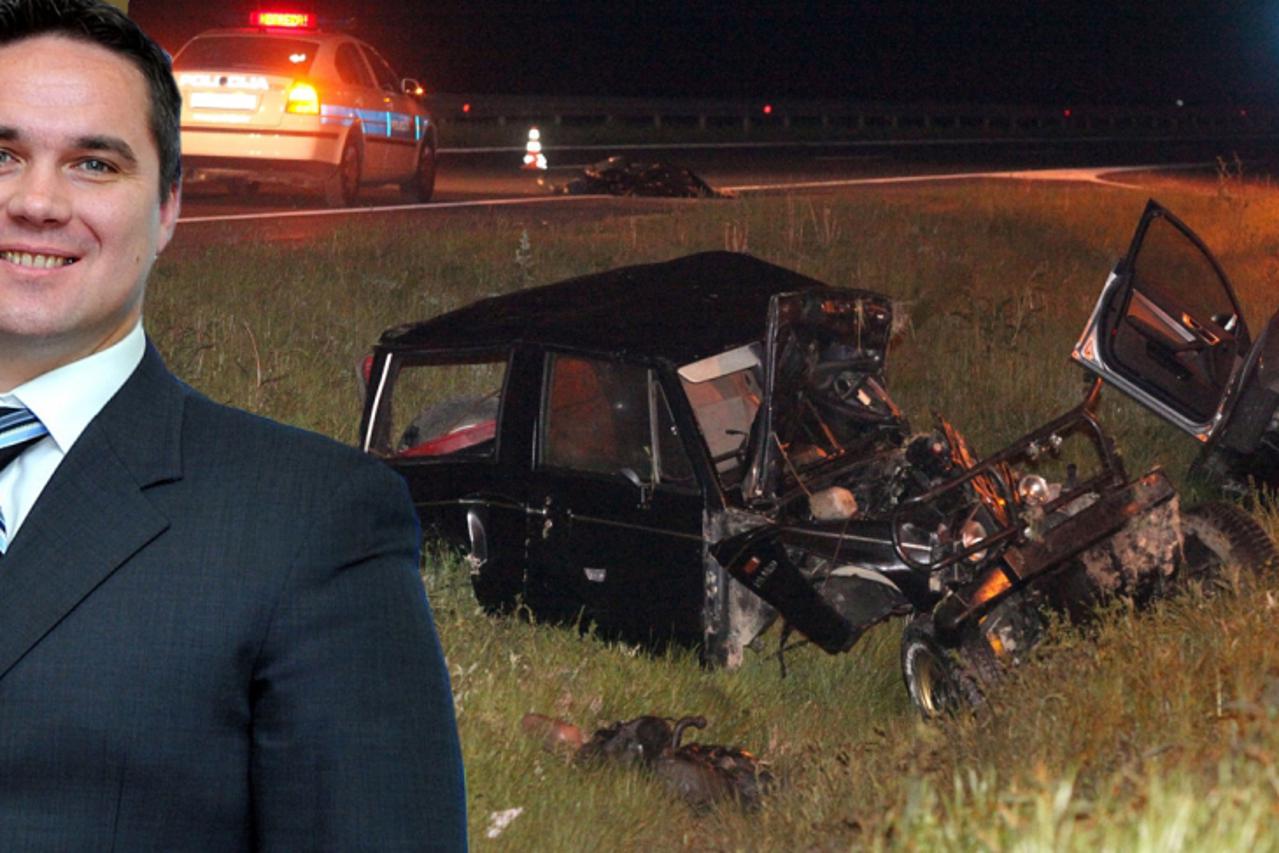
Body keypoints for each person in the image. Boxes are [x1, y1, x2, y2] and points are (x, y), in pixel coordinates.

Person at [0, 0, 467, 848]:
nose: (36, 201)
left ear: (168, 207)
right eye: (2, 155)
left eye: (94, 164)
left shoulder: (311, 518)